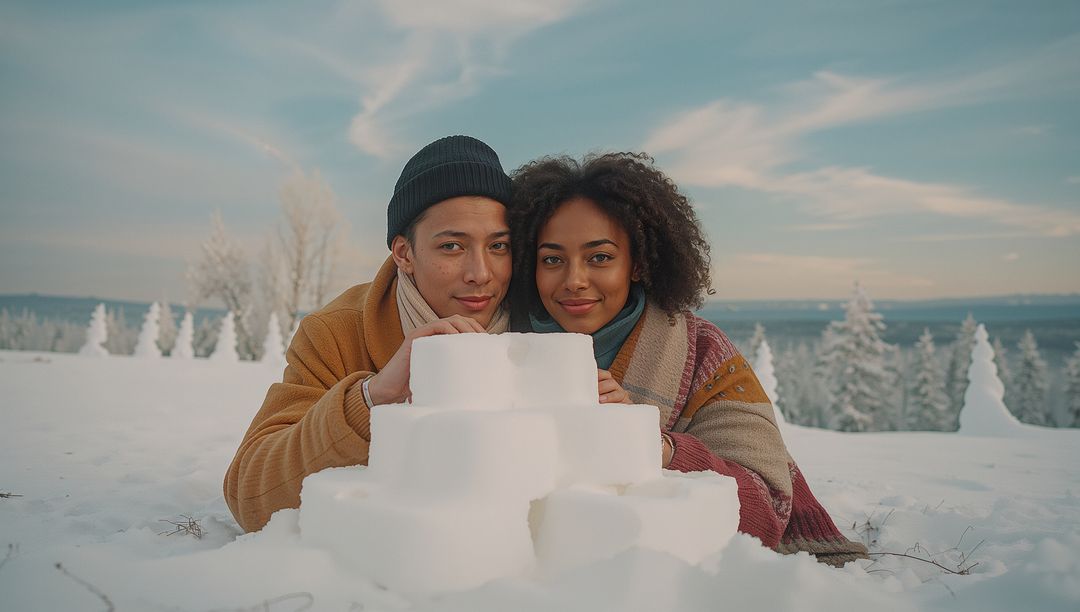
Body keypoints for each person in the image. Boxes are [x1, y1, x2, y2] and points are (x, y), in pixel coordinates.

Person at [508, 152, 868, 566]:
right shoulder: (502, 343)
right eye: (552, 259)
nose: (574, 280)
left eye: (600, 257)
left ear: (638, 263)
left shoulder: (703, 354)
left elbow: (767, 508)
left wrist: (651, 445)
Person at [225, 135, 514, 532]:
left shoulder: (550, 318)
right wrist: (370, 400)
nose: (481, 273)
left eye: (499, 246)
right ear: (404, 254)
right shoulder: (335, 333)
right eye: (451, 246)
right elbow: (249, 495)